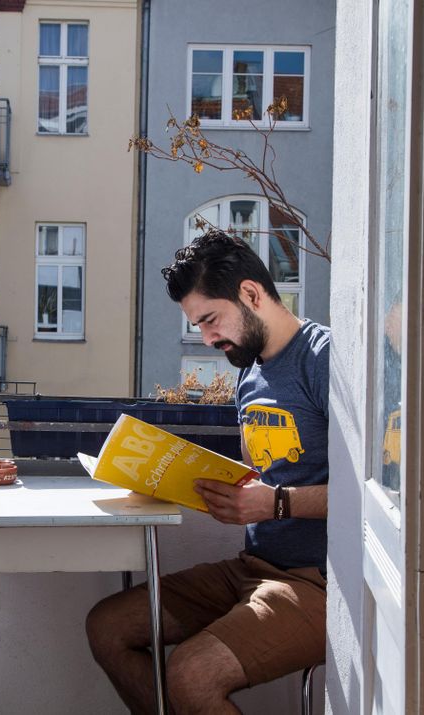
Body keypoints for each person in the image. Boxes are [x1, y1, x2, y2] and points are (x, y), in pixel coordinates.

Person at [85, 230, 329, 714]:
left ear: (251, 293)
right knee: (108, 628)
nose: (208, 337)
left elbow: (377, 492)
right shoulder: (249, 371)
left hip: (316, 583)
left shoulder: (322, 358)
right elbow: (264, 472)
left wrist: (276, 502)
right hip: (252, 568)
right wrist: (170, 477)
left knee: (191, 674)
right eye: (198, 325)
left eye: (210, 320)